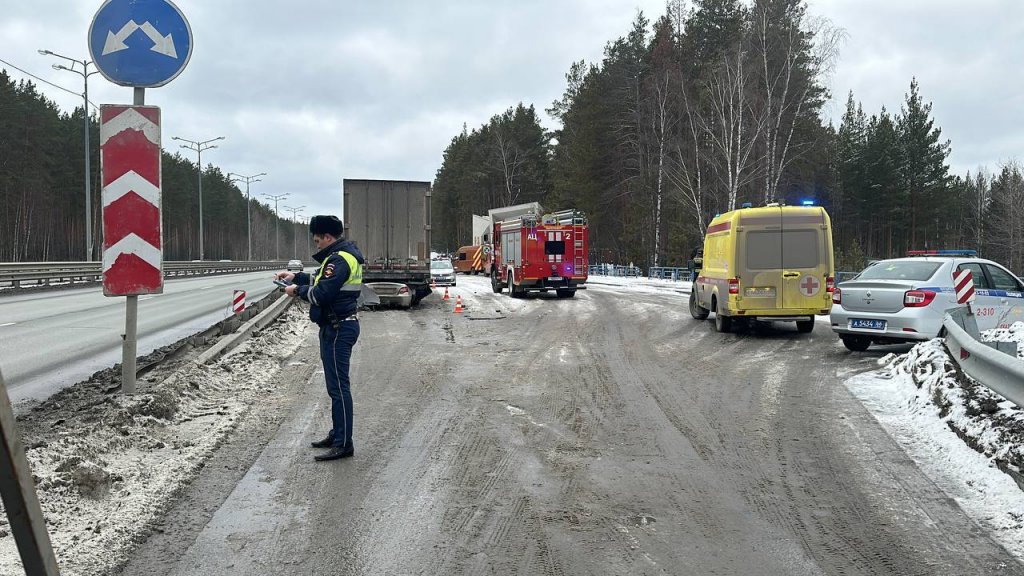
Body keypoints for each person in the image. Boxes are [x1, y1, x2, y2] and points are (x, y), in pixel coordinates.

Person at [274, 215, 364, 462]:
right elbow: (322, 280)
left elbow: (322, 293)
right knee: (334, 387)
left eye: (317, 240)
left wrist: (296, 291)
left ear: (327, 237)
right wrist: (297, 277)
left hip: (339, 329)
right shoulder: (339, 257)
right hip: (334, 327)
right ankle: (338, 434)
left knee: (339, 388)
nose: (316, 245)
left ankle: (344, 443)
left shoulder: (339, 259)